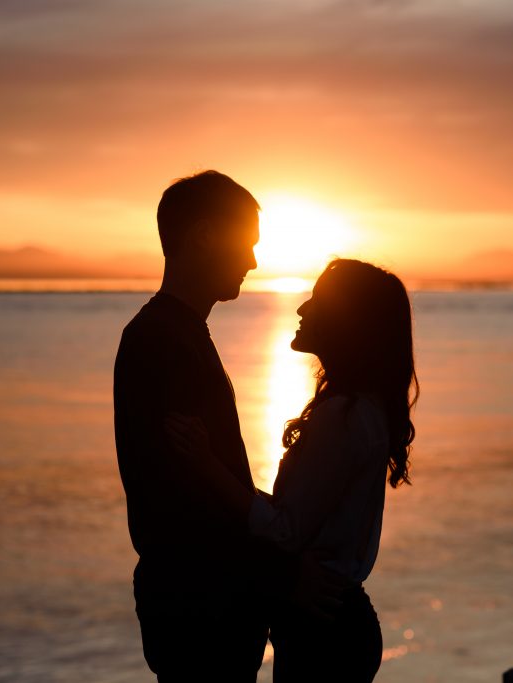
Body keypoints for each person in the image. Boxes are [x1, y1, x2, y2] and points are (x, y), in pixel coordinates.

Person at [114, 170, 336, 682]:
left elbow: (212, 478)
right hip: (197, 607)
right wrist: (286, 572)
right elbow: (187, 492)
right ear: (204, 237)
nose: (253, 262)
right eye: (246, 244)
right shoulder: (162, 341)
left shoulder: (177, 334)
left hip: (204, 600)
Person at [167, 258, 418, 682]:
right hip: (336, 620)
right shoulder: (363, 409)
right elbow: (301, 515)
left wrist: (206, 466)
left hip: (323, 630)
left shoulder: (344, 415)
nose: (302, 309)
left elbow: (286, 530)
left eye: (317, 300)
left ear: (347, 321)